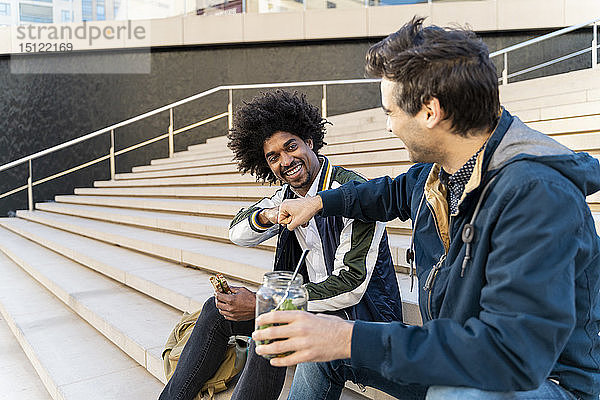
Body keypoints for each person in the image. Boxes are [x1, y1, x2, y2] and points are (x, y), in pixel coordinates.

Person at [252, 17, 600, 400]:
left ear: (430, 111)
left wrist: (349, 336)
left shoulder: (536, 195)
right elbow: (383, 195)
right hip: (459, 354)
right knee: (320, 352)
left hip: (546, 380)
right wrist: (317, 202)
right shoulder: (438, 174)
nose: (388, 127)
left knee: (455, 397)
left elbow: (510, 356)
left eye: (390, 112)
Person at [158, 90, 403, 400]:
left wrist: (265, 303)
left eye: (291, 146)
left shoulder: (355, 193)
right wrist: (271, 215)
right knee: (216, 310)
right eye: (273, 156)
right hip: (310, 307)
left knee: (274, 323)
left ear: (309, 141)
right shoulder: (285, 196)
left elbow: (351, 284)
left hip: (360, 318)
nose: (286, 161)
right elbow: (237, 231)